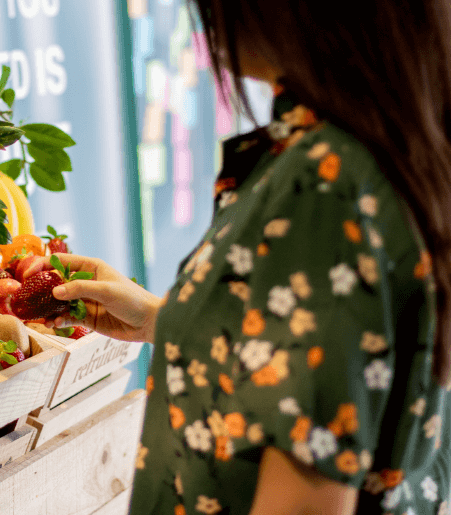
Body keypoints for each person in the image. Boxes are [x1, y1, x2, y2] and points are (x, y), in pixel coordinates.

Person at [25, 0, 451, 513]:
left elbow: (303, 503)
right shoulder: (383, 149)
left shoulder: (324, 182)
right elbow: (337, 360)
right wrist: (172, 321)